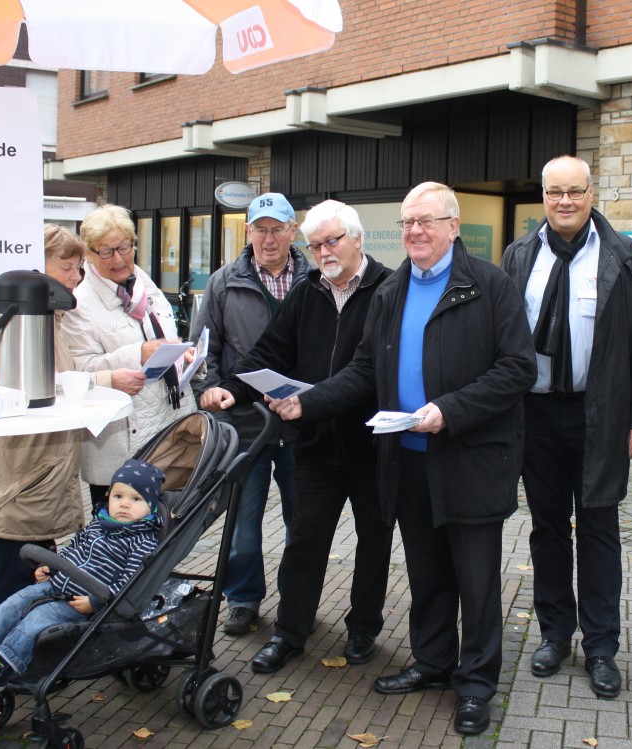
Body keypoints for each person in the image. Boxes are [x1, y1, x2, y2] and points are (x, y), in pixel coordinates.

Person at [268, 183, 538, 735]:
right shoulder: (392, 292)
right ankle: (434, 662)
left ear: (454, 225)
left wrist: (450, 410)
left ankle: (477, 683)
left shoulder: (489, 285)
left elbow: (517, 369)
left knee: (477, 581)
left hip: (469, 456)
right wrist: (308, 402)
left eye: (427, 221)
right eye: (408, 221)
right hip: (407, 457)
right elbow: (365, 369)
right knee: (427, 571)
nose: (415, 231)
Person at [201, 200, 394, 673]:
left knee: (373, 541)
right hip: (314, 445)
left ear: (357, 239)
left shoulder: (390, 289)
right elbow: (270, 352)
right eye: (316, 244)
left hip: (372, 445)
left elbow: (369, 372)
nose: (325, 251)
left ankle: (363, 627)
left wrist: (311, 402)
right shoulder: (307, 292)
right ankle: (290, 632)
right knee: (304, 541)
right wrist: (229, 389)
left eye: (333, 240)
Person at [501, 155, 632, 699]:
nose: (564, 201)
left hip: (601, 415)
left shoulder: (626, 257)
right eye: (554, 192)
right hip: (537, 414)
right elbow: (504, 340)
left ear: (592, 193)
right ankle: (552, 634)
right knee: (546, 528)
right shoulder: (519, 254)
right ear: (542, 196)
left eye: (574, 191)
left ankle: (601, 647)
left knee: (598, 531)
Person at [0, 224, 145, 612]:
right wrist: (105, 380)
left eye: (78, 267)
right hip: (14, 489)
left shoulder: (44, 319)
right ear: (35, 268)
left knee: (24, 582)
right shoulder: (14, 325)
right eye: (68, 267)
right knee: (8, 589)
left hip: (29, 487)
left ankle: (11, 658)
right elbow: (25, 392)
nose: (77, 276)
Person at [191, 192, 310, 635]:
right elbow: (204, 348)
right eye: (260, 229)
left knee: (303, 521)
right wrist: (208, 389)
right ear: (248, 232)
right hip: (242, 425)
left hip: (300, 424)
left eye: (277, 228)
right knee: (243, 522)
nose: (269, 238)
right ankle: (242, 599)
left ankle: (298, 601)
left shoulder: (314, 277)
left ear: (292, 232)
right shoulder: (224, 281)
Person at [0, 459, 165, 691]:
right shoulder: (98, 524)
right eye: (118, 496)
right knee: (14, 603)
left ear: (150, 506)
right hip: (58, 582)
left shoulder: (142, 541)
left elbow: (132, 580)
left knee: (36, 620)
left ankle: (3, 665)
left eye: (136, 499)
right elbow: (73, 550)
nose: (124, 505)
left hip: (80, 600)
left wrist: (97, 602)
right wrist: (52, 568)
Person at [61, 205, 196, 508]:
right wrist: (138, 353)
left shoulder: (141, 281)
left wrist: (180, 355)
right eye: (107, 251)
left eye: (125, 247)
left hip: (168, 429)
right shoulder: (79, 303)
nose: (120, 259)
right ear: (89, 253)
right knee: (119, 538)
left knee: (164, 536)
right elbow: (81, 370)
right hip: (122, 439)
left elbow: (162, 334)